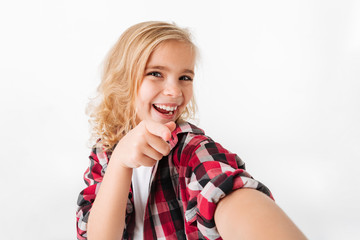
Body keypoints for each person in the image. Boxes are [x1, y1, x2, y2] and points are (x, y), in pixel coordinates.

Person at [76, 21, 307, 240]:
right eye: (156, 73)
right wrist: (119, 162)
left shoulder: (190, 149)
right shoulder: (105, 150)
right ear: (123, 79)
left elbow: (221, 187)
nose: (175, 91)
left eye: (184, 77)